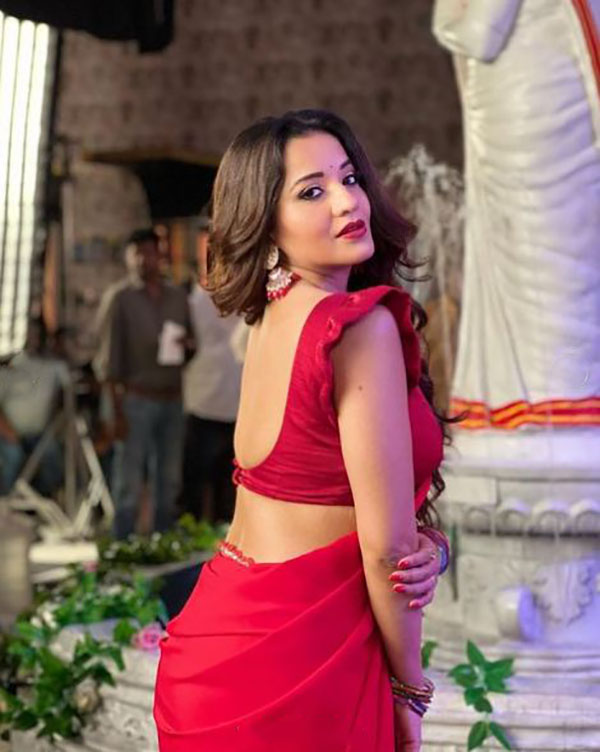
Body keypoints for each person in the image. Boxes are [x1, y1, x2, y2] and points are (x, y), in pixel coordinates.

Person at [153, 110, 449, 751]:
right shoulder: (357, 327)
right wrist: (409, 690)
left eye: (350, 178)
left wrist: (431, 544)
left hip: (213, 652)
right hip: (299, 668)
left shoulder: (271, 321)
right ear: (267, 222)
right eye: (311, 191)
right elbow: (388, 552)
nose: (347, 201)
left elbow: (317, 494)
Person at [107, 229, 194, 538]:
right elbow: (110, 360)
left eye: (149, 252)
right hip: (136, 399)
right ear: (128, 258)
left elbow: (192, 344)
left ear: (160, 255)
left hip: (172, 397)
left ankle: (163, 544)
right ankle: (122, 544)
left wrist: (187, 345)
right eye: (137, 253)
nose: (144, 259)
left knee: (169, 479)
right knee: (129, 479)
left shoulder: (178, 297)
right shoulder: (121, 299)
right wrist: (115, 411)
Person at [179, 216, 243, 522]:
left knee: (228, 486)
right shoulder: (189, 299)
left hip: (239, 403)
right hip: (203, 400)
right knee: (195, 480)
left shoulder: (246, 296)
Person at [0, 319, 68, 497]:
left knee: (52, 457)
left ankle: (40, 502)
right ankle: (5, 502)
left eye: (39, 335)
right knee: (12, 457)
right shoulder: (11, 366)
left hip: (39, 434)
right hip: (7, 434)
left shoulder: (55, 367)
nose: (35, 340)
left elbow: (69, 391)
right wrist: (9, 433)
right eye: (31, 335)